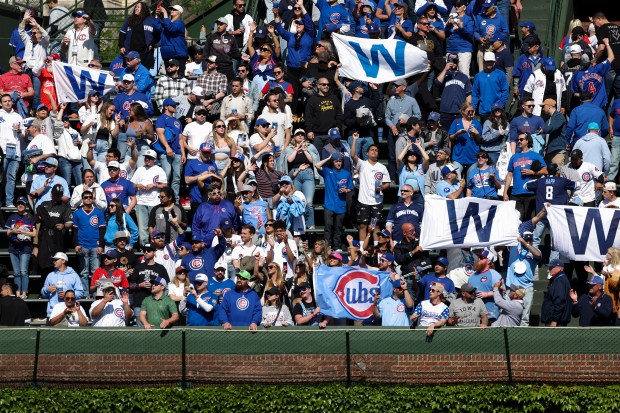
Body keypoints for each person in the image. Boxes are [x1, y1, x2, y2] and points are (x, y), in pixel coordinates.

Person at [351, 134, 391, 243]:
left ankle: (376, 249)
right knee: (363, 225)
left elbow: (388, 183)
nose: (374, 151)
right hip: (363, 201)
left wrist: (382, 187)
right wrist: (355, 140)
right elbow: (353, 154)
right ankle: (361, 249)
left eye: (376, 150)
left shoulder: (382, 167)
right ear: (367, 153)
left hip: (376, 201)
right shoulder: (362, 164)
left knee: (375, 226)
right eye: (372, 150)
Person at [503, 133, 548, 220]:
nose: (519, 141)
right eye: (518, 140)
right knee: (516, 220)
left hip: (530, 194)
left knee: (530, 221)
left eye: (521, 139)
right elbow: (509, 175)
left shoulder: (535, 155)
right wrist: (505, 193)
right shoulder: (514, 157)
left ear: (527, 141)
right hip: (516, 193)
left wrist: (533, 172)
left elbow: (545, 171)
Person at [315, 153, 353, 250]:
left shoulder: (346, 173)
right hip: (329, 204)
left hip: (341, 204)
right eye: (336, 161)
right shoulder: (328, 171)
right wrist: (328, 158)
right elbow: (317, 165)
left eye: (340, 161)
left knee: (338, 228)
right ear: (333, 162)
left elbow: (350, 188)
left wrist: (346, 190)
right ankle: (327, 247)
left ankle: (337, 246)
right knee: (328, 227)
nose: (338, 163)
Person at [131, 149, 169, 246]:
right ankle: (144, 247)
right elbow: (132, 184)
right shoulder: (140, 169)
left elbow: (165, 185)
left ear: (154, 160)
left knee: (155, 226)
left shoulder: (159, 170)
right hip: (141, 201)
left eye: (149, 158)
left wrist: (154, 186)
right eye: (146, 158)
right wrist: (138, 186)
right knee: (142, 227)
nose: (147, 160)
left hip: (154, 202)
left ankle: (156, 245)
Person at [72, 190, 106, 293]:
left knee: (96, 272)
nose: (88, 199)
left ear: (93, 199)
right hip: (83, 245)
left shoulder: (98, 212)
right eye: (86, 197)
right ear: (82, 200)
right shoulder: (77, 213)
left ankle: (97, 294)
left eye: (90, 197)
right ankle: (85, 293)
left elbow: (102, 230)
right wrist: (76, 244)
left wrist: (101, 245)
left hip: (95, 245)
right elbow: (75, 230)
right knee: (84, 272)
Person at [129, 243, 169, 327]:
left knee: (155, 331)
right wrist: (140, 285)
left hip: (156, 304)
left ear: (154, 253)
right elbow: (131, 286)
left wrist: (155, 287)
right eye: (144, 251)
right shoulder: (138, 267)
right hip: (140, 303)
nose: (146, 252)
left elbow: (166, 286)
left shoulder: (160, 268)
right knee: (140, 333)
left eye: (149, 250)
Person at [35, 185, 73, 273]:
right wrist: (36, 216)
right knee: (44, 264)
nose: (56, 197)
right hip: (44, 238)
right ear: (51, 194)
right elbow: (37, 221)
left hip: (58, 239)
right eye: (55, 194)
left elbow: (69, 223)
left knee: (57, 264)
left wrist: (63, 226)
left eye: (59, 195)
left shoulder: (65, 207)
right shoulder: (44, 204)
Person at [4, 196, 37, 299]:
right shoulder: (11, 217)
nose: (20, 205)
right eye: (18, 203)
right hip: (13, 247)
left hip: (25, 248)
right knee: (16, 272)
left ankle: (24, 292)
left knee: (23, 271)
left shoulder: (30, 217)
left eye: (22, 203)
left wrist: (23, 231)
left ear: (26, 205)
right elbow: (7, 233)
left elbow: (34, 233)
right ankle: (17, 292)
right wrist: (14, 231)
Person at [40, 252, 85, 319]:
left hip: (69, 312)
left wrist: (68, 295)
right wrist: (47, 289)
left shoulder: (74, 275)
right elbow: (43, 294)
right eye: (54, 260)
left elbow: (80, 292)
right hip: (53, 313)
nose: (54, 261)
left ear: (63, 261)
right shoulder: (50, 275)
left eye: (56, 259)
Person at [472, 52, 509, 123]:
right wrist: (473, 108)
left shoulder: (500, 74)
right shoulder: (478, 76)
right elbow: (475, 94)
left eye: (491, 61)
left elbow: (505, 91)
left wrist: (500, 106)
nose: (489, 63)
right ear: (484, 61)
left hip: (498, 111)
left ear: (495, 61)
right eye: (487, 61)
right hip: (484, 111)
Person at [118, 2, 157, 69]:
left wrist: (152, 44)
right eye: (135, 7)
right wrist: (122, 46)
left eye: (138, 7)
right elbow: (122, 33)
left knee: (143, 72)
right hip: (131, 51)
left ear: (143, 9)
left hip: (145, 53)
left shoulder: (150, 20)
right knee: (129, 72)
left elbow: (157, 34)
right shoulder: (129, 19)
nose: (136, 8)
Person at [468, 248, 502, 323]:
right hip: (474, 314)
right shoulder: (473, 274)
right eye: (478, 257)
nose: (479, 259)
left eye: (481, 258)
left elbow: (502, 292)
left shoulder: (494, 274)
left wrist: (487, 294)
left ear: (488, 261)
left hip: (489, 313)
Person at [153, 4, 188, 75]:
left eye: (174, 9)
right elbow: (157, 28)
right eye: (171, 9)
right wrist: (157, 16)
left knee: (179, 77)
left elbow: (171, 28)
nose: (172, 10)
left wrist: (165, 13)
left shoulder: (180, 23)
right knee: (169, 78)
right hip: (167, 54)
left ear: (179, 12)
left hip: (178, 55)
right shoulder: (167, 22)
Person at [448, 102, 482, 170]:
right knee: (455, 175)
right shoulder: (456, 122)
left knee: (471, 179)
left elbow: (480, 141)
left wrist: (477, 133)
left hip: (472, 157)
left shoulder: (477, 123)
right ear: (463, 111)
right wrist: (457, 133)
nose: (471, 113)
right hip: (458, 156)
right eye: (468, 111)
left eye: (472, 111)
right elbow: (450, 138)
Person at [540, 259, 572, 327]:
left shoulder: (560, 281)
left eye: (552, 267)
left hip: (556, 322)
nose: (549, 269)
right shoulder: (557, 279)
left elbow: (560, 302)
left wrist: (554, 320)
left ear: (560, 268)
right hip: (554, 320)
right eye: (549, 267)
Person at [539, 98, 568, 166]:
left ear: (549, 106)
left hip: (557, 152)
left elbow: (553, 127)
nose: (542, 109)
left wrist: (543, 130)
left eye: (543, 106)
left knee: (557, 174)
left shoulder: (559, 117)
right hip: (549, 152)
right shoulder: (549, 119)